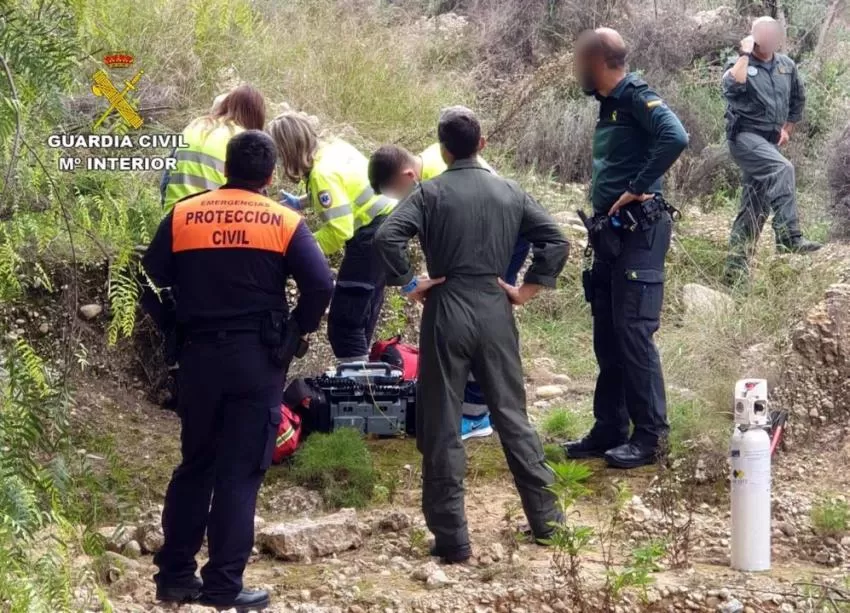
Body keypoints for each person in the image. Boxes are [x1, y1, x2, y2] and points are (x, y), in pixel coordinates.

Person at [142, 130, 333, 610]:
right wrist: (295, 333)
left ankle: (175, 578)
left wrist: (172, 327)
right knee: (240, 473)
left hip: (198, 358)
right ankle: (224, 587)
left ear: (225, 169)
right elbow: (320, 285)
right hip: (257, 360)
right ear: (270, 176)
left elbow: (146, 280)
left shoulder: (184, 215)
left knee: (195, 467)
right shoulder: (284, 221)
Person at [374, 106, 569, 564]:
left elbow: (386, 238)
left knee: (441, 423)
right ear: (482, 144)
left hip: (445, 307)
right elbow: (557, 241)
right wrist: (526, 289)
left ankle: (452, 541)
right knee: (511, 416)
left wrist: (409, 283)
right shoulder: (510, 191)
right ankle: (548, 523)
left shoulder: (429, 193)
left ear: (442, 150)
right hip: (495, 306)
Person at [562, 28, 688, 469]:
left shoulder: (636, 95)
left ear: (597, 61)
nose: (576, 69)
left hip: (641, 232)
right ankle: (610, 428)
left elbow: (675, 136)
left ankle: (651, 437)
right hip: (610, 235)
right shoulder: (610, 105)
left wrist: (638, 187)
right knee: (608, 332)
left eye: (580, 60)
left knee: (633, 331)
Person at [368, 142, 532, 441]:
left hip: (504, 241)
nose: (400, 202)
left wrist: (410, 282)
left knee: (479, 327)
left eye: (397, 194)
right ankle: (474, 408)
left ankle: (475, 416)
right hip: (484, 244)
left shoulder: (437, 177)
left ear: (407, 175)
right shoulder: (434, 162)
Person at [268, 110, 395, 363]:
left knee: (345, 326)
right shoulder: (335, 148)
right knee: (361, 319)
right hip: (388, 230)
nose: (280, 162)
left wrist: (299, 251)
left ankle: (356, 391)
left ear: (288, 149)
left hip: (370, 239)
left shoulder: (321, 174)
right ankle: (365, 383)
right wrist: (302, 202)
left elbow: (339, 231)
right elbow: (344, 189)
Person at [722, 16, 821, 285]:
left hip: (768, 141)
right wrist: (744, 52)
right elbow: (733, 85)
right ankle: (789, 238)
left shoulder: (786, 66)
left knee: (755, 206)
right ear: (752, 36)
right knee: (782, 169)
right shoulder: (741, 63)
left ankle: (734, 273)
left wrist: (787, 129)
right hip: (744, 137)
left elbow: (798, 101)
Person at [162, 84, 266, 210]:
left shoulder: (196, 123)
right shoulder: (244, 139)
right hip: (213, 218)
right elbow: (253, 196)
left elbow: (166, 179)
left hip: (175, 214)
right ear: (256, 115)